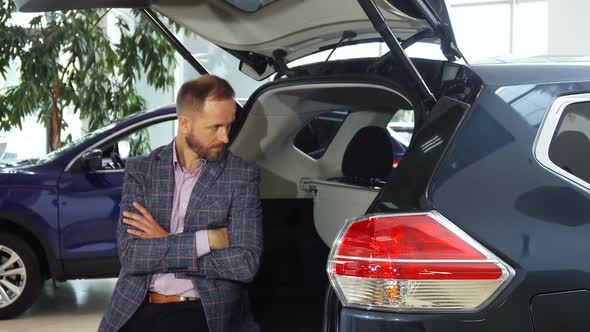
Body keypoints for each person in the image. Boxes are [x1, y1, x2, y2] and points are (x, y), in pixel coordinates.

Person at [99, 75, 263, 332]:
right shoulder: (142, 171)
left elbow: (245, 264)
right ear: (185, 123)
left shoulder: (240, 175)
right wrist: (206, 240)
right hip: (137, 306)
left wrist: (164, 238)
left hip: (200, 310)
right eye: (215, 127)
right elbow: (132, 256)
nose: (225, 137)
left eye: (229, 126)